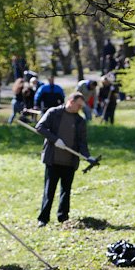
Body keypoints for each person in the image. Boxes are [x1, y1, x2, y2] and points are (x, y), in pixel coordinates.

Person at [34, 92, 90, 226]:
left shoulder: (79, 121)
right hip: (53, 160)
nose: (79, 108)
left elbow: (82, 142)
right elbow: (40, 127)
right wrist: (55, 140)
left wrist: (87, 156)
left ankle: (63, 217)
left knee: (66, 191)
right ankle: (43, 218)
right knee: (49, 190)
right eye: (78, 105)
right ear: (70, 101)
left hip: (70, 162)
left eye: (81, 106)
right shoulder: (54, 113)